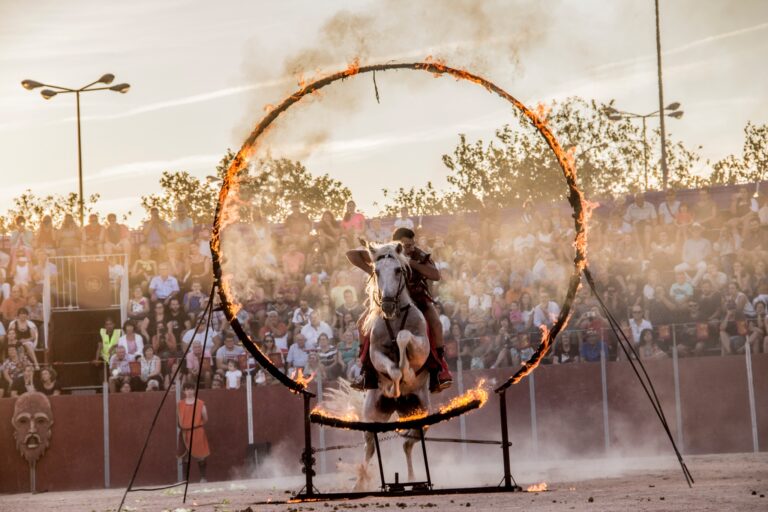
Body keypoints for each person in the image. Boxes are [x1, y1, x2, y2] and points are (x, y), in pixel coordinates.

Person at [346, 227, 452, 393]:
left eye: (411, 245)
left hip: (418, 299)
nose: (409, 248)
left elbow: (435, 275)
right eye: (405, 245)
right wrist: (374, 272)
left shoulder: (420, 255)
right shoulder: (386, 252)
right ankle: (364, 367)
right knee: (362, 324)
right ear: (396, 243)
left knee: (437, 324)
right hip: (389, 299)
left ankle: (441, 368)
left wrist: (410, 262)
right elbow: (351, 254)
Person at [177, 382, 210, 483]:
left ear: (194, 390)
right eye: (187, 389)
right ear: (184, 391)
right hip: (184, 432)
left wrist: (196, 426)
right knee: (185, 457)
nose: (189, 391)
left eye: (191, 389)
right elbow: (179, 419)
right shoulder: (180, 404)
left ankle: (203, 478)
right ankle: (185, 480)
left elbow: (205, 418)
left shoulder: (200, 403)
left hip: (197, 431)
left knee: (201, 455)